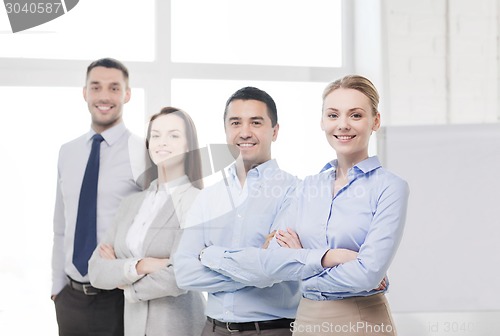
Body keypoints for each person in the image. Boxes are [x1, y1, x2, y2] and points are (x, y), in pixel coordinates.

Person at [198, 75, 409, 335]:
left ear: (375, 121)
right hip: (306, 321)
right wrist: (329, 258)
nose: (343, 125)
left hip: (361, 319)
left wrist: (301, 265)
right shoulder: (308, 186)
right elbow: (273, 259)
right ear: (322, 122)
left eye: (355, 115)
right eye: (333, 115)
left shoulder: (390, 187)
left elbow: (367, 275)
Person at [174, 86, 300, 336]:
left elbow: (273, 268)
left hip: (271, 330)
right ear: (225, 130)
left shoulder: (295, 191)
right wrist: (253, 268)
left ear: (274, 131)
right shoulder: (208, 197)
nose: (244, 132)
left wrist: (209, 256)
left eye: (255, 122)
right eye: (235, 123)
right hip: (212, 329)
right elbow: (184, 274)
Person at [51, 58, 154, 336]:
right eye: (96, 87)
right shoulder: (67, 152)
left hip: (119, 298)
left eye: (114, 88)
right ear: (85, 92)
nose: (104, 96)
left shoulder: (143, 152)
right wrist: (57, 288)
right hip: (70, 298)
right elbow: (62, 226)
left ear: (127, 94)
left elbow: (156, 227)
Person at [88, 107, 206, 336]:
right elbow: (96, 270)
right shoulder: (130, 204)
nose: (162, 142)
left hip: (179, 327)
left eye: (173, 135)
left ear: (189, 145)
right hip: (133, 328)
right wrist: (142, 265)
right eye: (156, 135)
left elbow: (180, 276)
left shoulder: (197, 202)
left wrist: (123, 281)